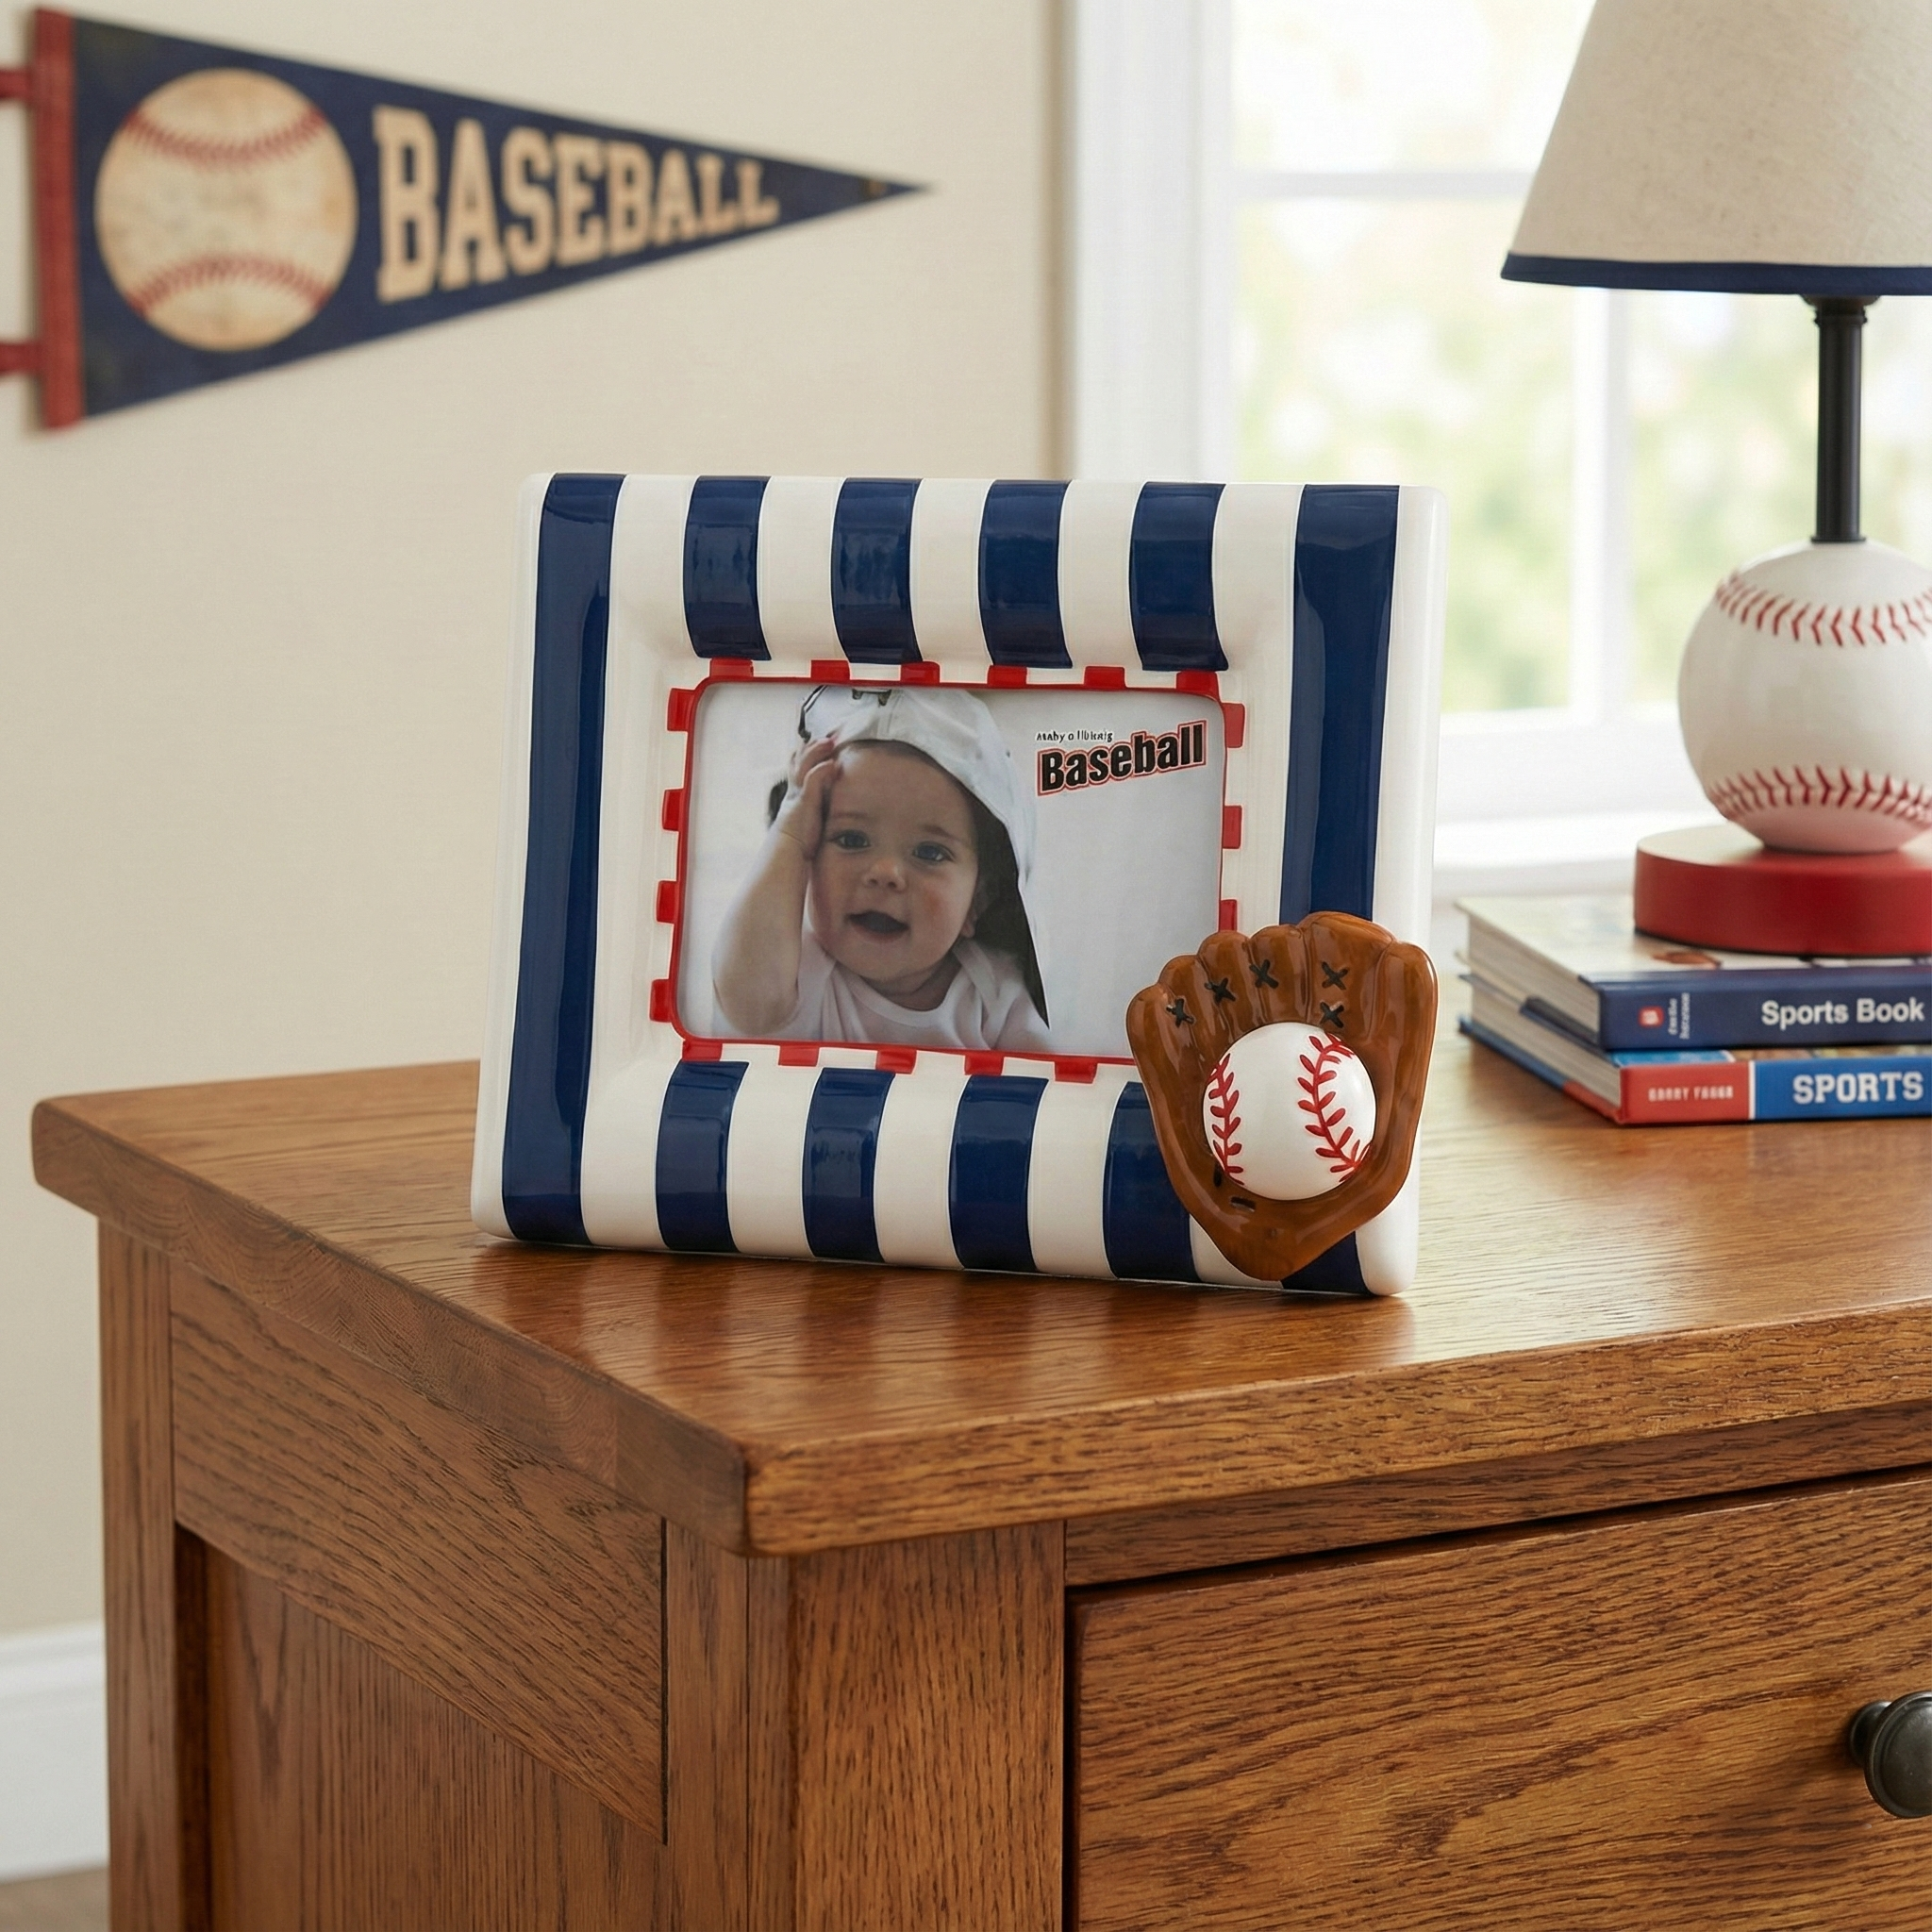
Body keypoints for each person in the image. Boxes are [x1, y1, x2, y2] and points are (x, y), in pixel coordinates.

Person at [712, 686, 1051, 1051]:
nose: (886, 872)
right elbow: (745, 1004)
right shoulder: (798, 972)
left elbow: (1047, 1091)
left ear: (977, 902)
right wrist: (791, 830)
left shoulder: (995, 995)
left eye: (930, 852)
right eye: (852, 840)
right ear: (806, 867)